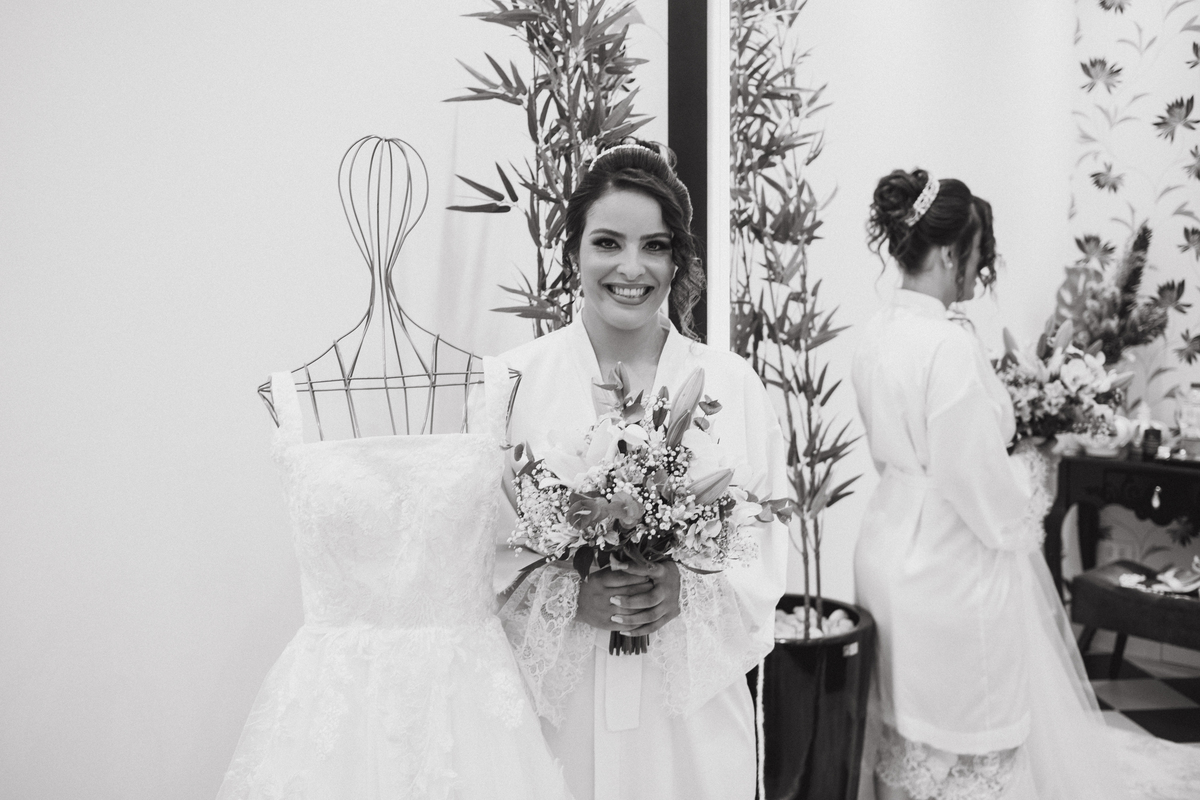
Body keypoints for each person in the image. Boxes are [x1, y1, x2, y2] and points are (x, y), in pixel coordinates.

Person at [852, 169, 1200, 800]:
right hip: (950, 566)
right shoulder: (946, 345)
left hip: (885, 551)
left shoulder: (877, 332)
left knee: (906, 738)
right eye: (978, 254)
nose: (981, 270)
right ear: (951, 253)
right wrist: (1035, 461)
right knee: (974, 744)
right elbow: (978, 485)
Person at [497, 140, 789, 800]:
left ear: (677, 259)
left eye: (655, 246)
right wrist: (569, 596)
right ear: (573, 250)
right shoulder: (511, 384)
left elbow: (766, 549)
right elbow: (476, 559)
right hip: (556, 721)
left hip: (685, 722)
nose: (632, 268)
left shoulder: (730, 384)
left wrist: (684, 589)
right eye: (608, 242)